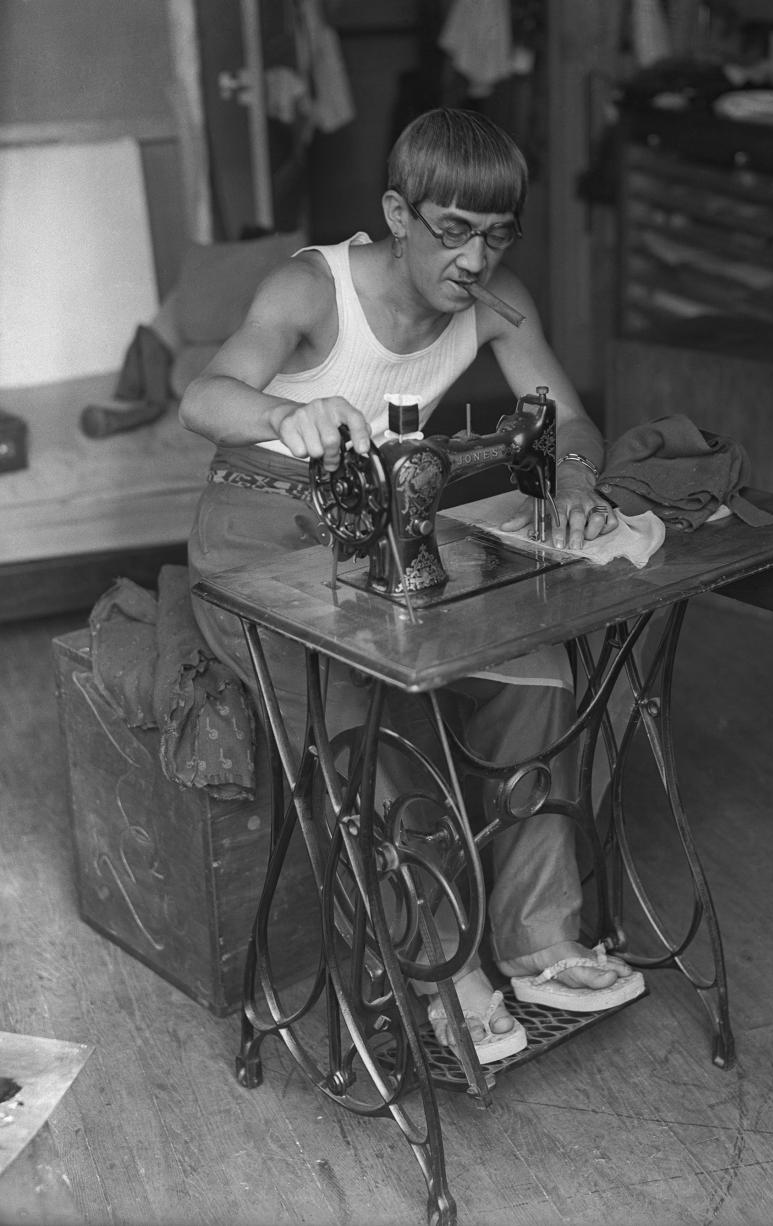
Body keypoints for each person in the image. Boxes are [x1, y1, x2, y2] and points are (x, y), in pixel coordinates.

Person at [180, 107, 643, 1066]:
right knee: (364, 710)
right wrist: (285, 416)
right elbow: (204, 397)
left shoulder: (497, 299)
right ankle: (437, 966)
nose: (476, 261)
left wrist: (581, 487)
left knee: (537, 670)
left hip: (378, 538)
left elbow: (567, 421)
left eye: (497, 234)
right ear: (398, 210)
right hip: (257, 537)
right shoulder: (313, 288)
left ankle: (539, 940)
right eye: (452, 231)